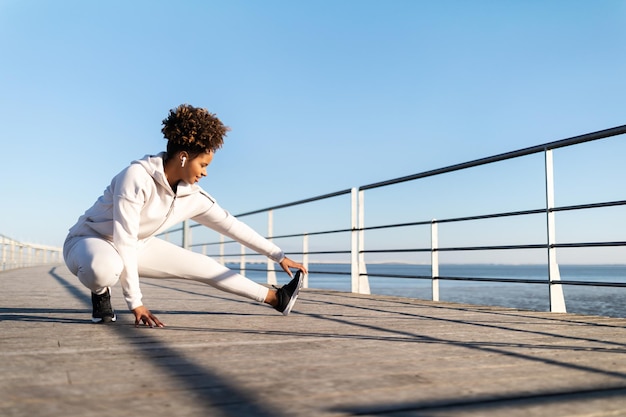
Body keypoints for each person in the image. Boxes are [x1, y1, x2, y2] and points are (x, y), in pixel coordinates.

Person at [63, 104, 307, 327]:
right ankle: (100, 292)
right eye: (203, 165)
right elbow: (124, 237)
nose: (205, 173)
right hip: (89, 241)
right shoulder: (136, 177)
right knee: (103, 268)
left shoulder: (193, 197)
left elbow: (231, 226)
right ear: (183, 157)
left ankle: (277, 299)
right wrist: (135, 302)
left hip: (137, 245)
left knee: (205, 266)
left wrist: (278, 255)